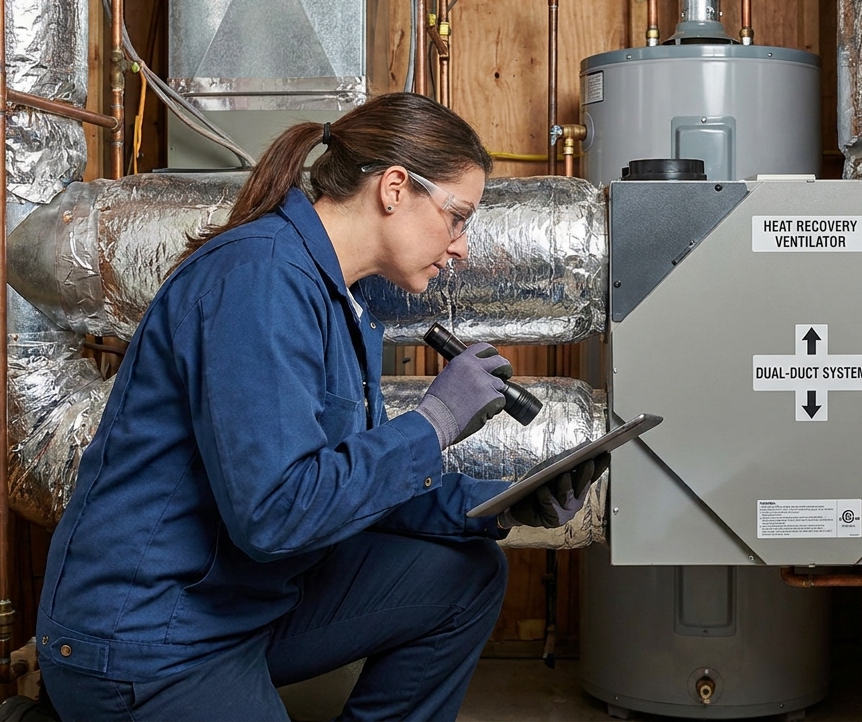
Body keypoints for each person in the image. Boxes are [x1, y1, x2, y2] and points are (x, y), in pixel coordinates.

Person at [34, 92, 605, 721]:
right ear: (394, 188)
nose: (461, 245)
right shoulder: (259, 280)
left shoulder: (342, 300)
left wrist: (495, 504)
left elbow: (346, 483)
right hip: (148, 639)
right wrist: (434, 421)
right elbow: (277, 514)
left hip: (244, 602)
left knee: (466, 574)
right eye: (458, 215)